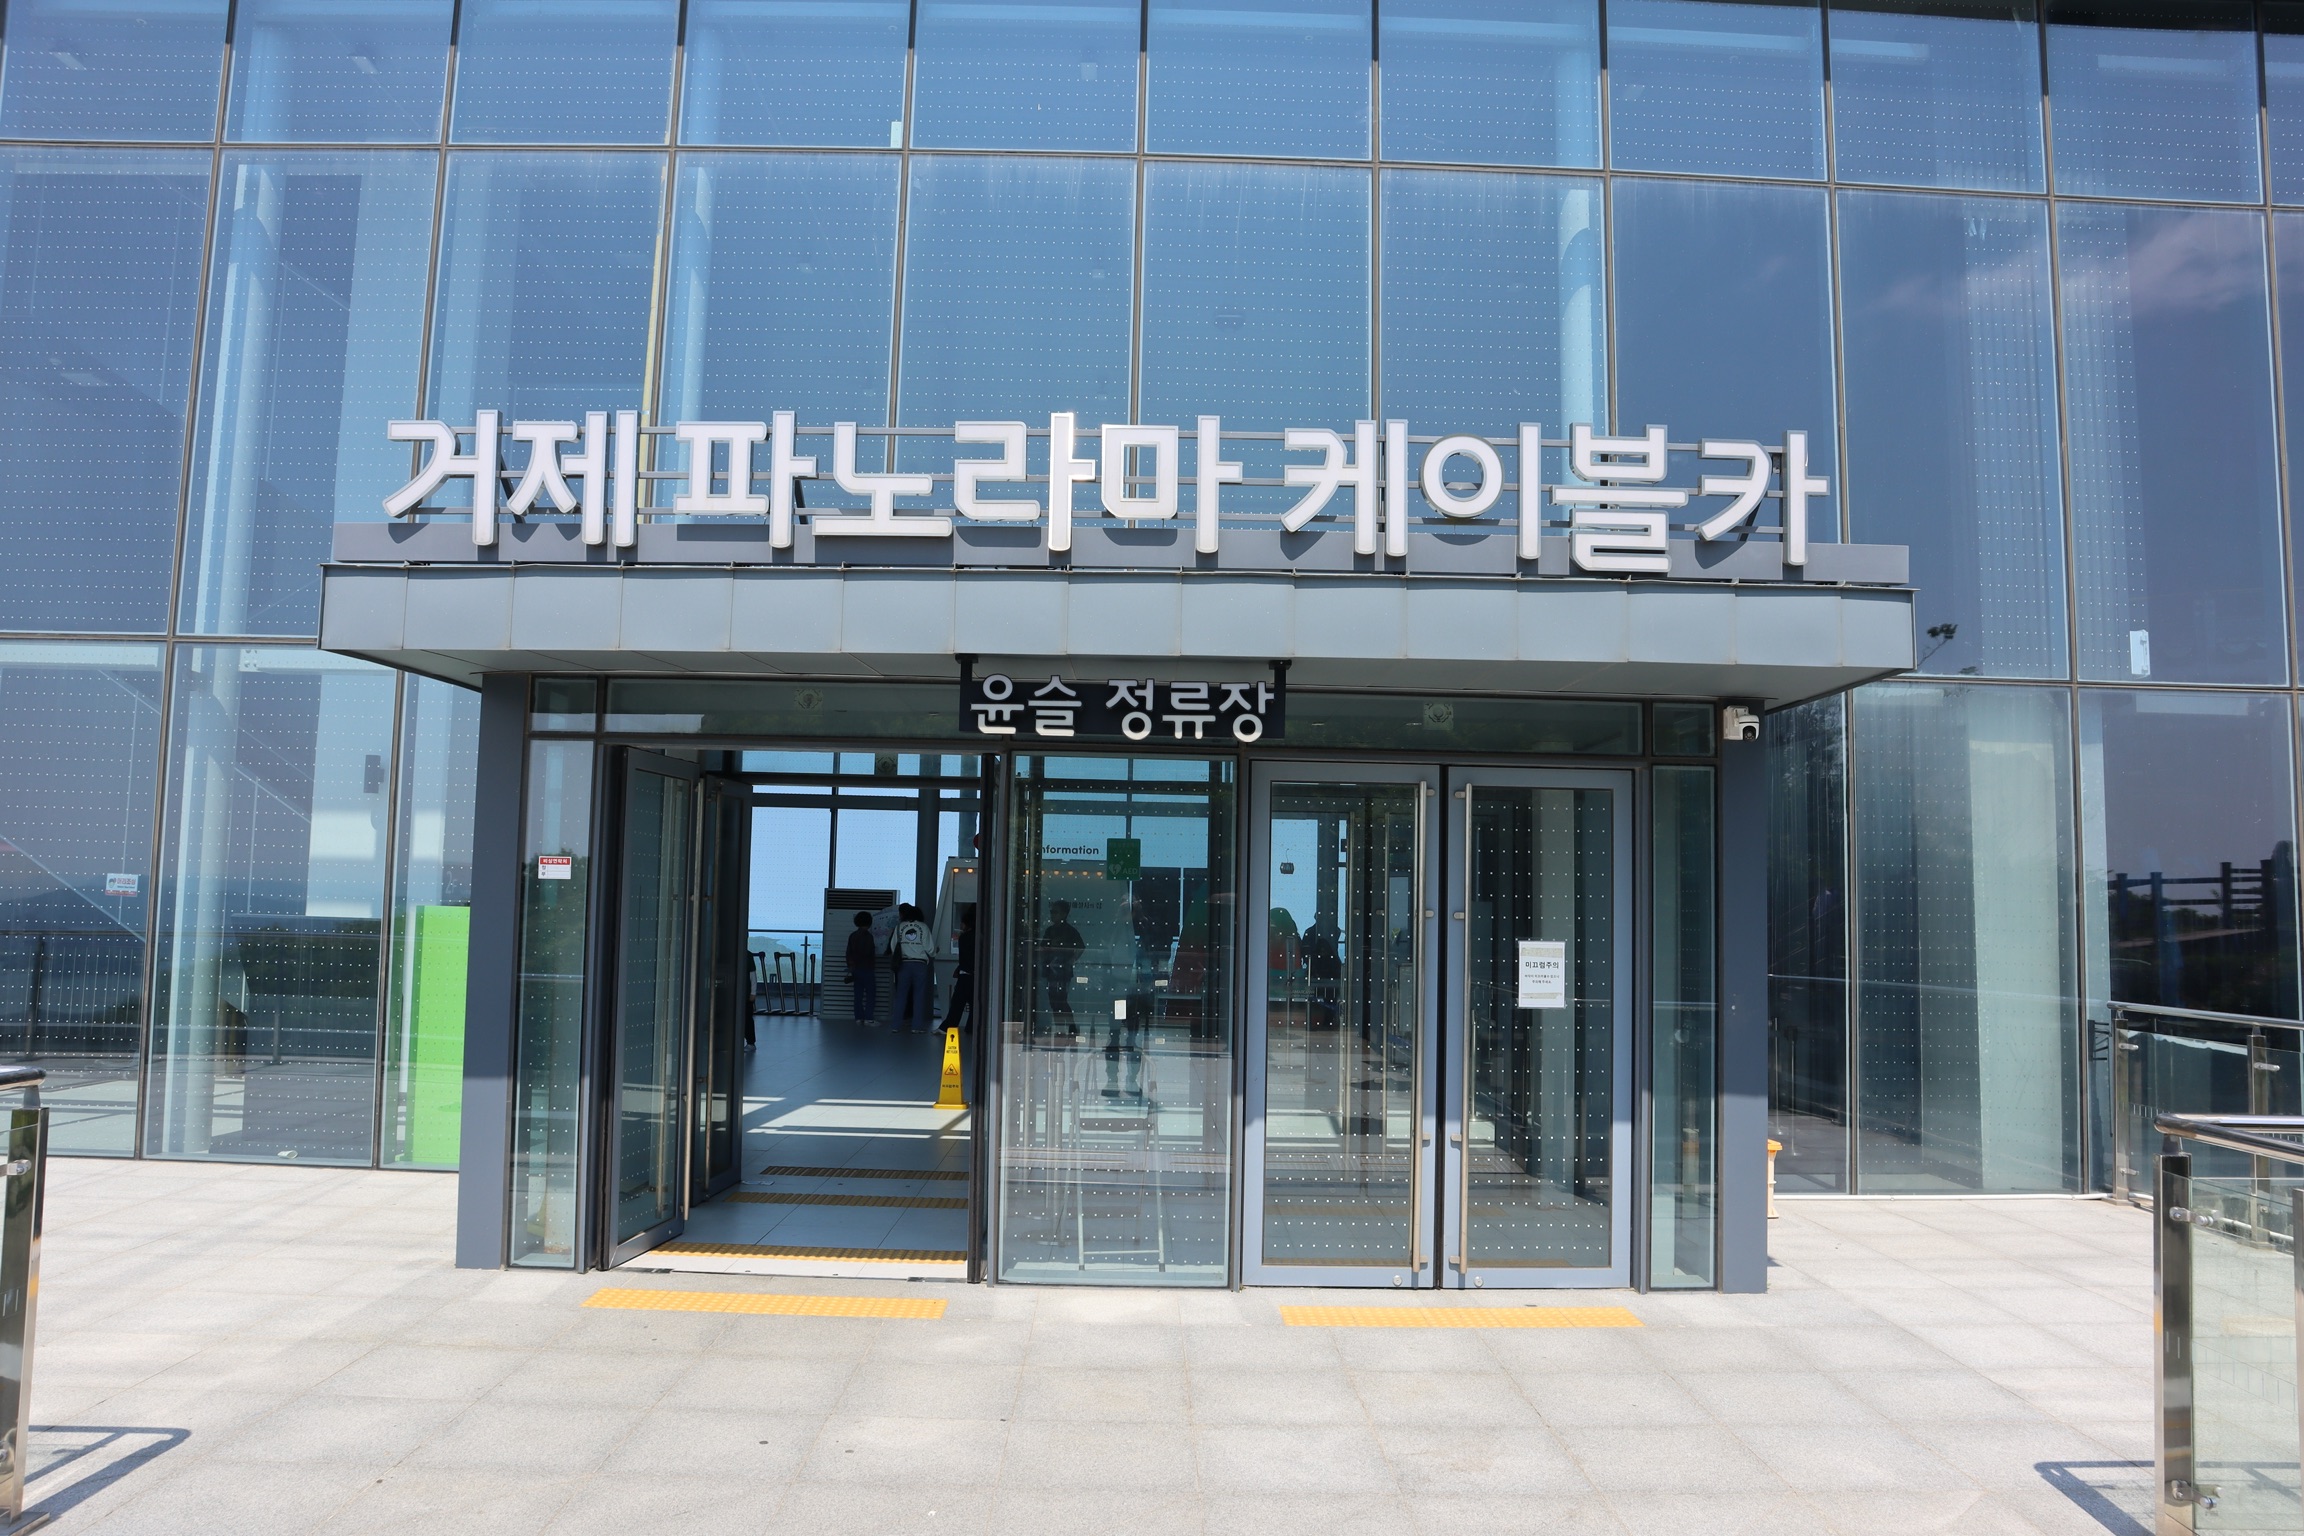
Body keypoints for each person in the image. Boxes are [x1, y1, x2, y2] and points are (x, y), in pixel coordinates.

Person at [1042, 900, 1084, 1037]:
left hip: (1062, 971)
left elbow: (1080, 947)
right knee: (1054, 1000)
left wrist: (1071, 960)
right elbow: (1043, 948)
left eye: (1055, 912)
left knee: (1061, 1000)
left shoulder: (1069, 931)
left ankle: (1070, 1026)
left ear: (1064, 914)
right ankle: (1061, 1028)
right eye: (1051, 912)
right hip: (1052, 970)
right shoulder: (1050, 930)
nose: (1052, 915)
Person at [891, 903, 934, 1033]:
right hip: (920, 964)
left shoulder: (899, 927)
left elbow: (893, 947)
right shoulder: (923, 927)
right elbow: (929, 948)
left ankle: (895, 1025)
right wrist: (934, 953)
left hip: (904, 964)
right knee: (918, 996)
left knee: (901, 995)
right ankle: (916, 1026)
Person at [942, 908, 977, 1032]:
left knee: (957, 1002)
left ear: (967, 923)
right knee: (974, 1003)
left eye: (962, 922)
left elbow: (964, 957)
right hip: (975, 974)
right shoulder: (980, 937)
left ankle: (948, 1027)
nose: (961, 925)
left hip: (965, 974)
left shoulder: (964, 938)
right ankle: (971, 1027)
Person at [845, 909, 880, 1025]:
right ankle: (869, 1018)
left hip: (856, 969)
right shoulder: (869, 936)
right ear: (869, 922)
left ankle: (858, 1018)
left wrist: (851, 965)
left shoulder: (852, 936)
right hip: (867, 968)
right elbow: (868, 952)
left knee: (858, 995)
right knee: (870, 994)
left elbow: (848, 952)